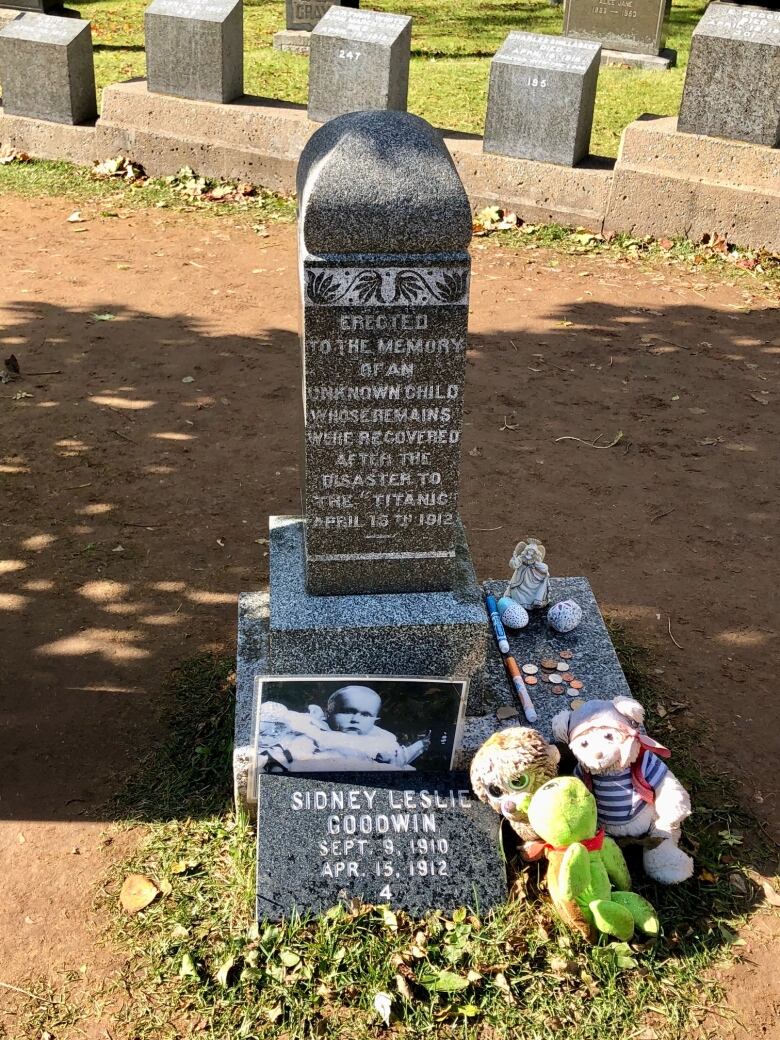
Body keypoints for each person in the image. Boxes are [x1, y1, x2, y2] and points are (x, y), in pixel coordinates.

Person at [257, 684, 431, 772]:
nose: (355, 719)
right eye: (347, 712)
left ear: (375, 721)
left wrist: (418, 747)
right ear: (329, 713)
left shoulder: (381, 740)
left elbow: (399, 758)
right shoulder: (314, 726)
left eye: (365, 715)